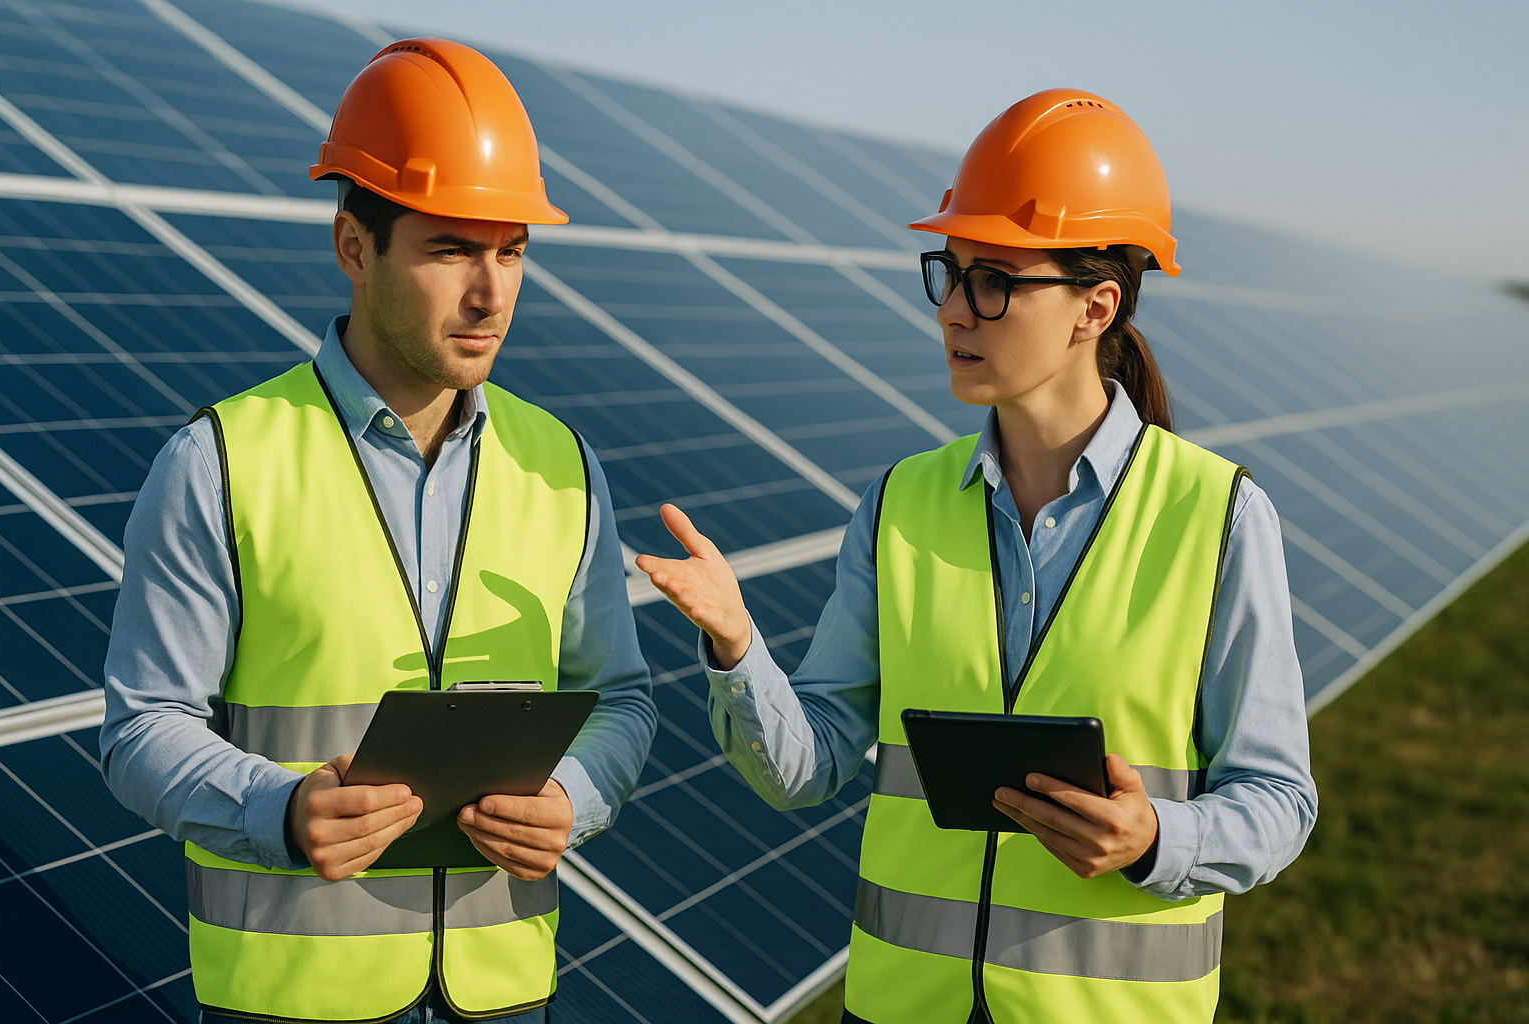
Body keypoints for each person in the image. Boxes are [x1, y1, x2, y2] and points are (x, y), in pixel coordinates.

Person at [636, 89, 1317, 1024]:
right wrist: (736, 646)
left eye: (993, 279)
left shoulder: (1219, 516)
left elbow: (1278, 799)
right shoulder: (899, 505)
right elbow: (805, 769)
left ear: (1095, 306)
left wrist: (1158, 837)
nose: (954, 309)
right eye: (949, 273)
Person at [100, 39, 656, 1024]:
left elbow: (619, 697)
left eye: (512, 250)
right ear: (354, 245)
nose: (492, 294)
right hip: (292, 999)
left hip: (504, 996)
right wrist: (277, 810)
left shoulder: (561, 466)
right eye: (452, 249)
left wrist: (573, 793)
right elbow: (141, 725)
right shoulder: (222, 461)